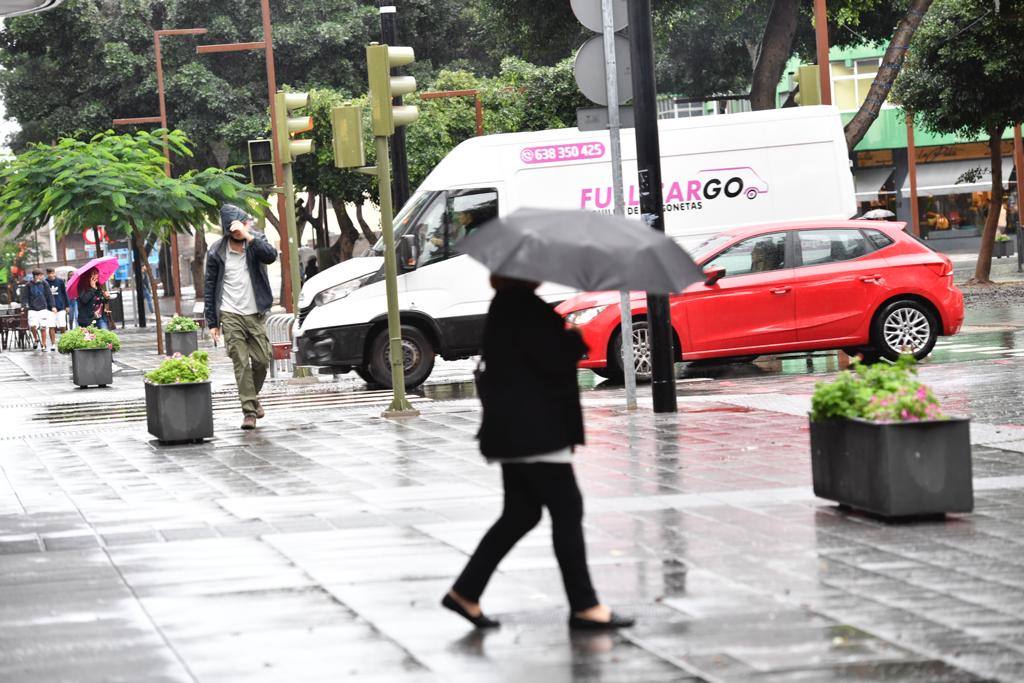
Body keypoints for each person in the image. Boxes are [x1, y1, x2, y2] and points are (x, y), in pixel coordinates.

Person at [442, 275, 634, 631]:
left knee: (521, 513)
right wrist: (572, 339)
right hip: (535, 431)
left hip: (518, 430)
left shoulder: (509, 304)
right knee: (567, 509)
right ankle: (585, 605)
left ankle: (465, 591)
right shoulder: (521, 306)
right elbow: (546, 360)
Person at [205, 204, 278, 430]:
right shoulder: (217, 251)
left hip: (255, 312)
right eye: (234, 228)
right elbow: (209, 287)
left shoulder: (256, 241)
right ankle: (249, 412)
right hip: (230, 313)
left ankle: (253, 398)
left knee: (262, 360)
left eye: (242, 225)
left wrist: (248, 236)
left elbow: (271, 256)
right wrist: (213, 322)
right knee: (241, 363)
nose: (238, 230)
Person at [20, 269, 55, 351]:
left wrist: (53, 306)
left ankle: (44, 345)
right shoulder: (28, 285)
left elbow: (49, 295)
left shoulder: (44, 283)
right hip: (32, 309)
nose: (43, 276)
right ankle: (36, 339)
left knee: (43, 327)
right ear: (36, 276)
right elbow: (24, 296)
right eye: (41, 275)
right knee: (33, 326)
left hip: (43, 308)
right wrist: (23, 305)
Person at [45, 268, 70, 344]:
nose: (51, 275)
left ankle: (64, 341)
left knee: (63, 325)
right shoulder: (45, 282)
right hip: (49, 308)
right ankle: (53, 343)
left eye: (52, 273)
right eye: (49, 273)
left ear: (54, 273)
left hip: (61, 306)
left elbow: (64, 293)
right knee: (51, 326)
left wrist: (67, 305)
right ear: (47, 274)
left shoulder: (60, 281)